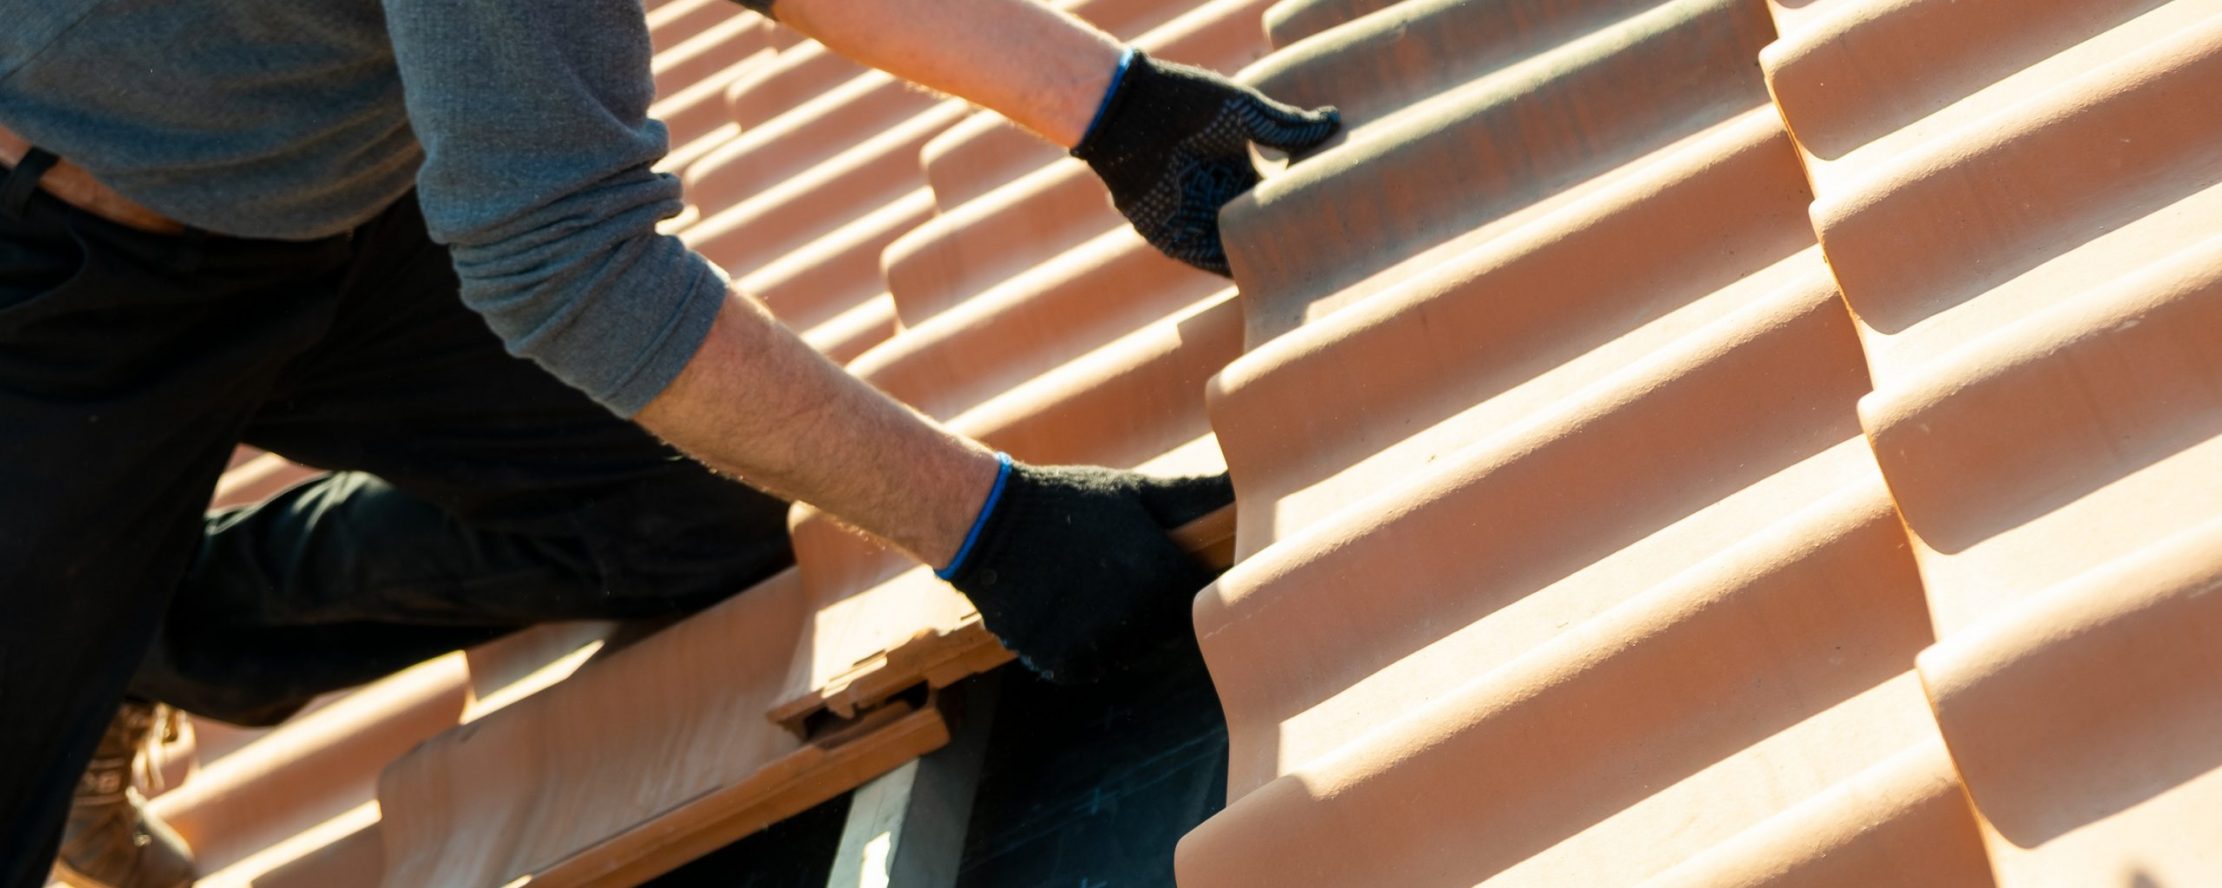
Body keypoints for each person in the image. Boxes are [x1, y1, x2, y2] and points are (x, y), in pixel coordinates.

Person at [0, 0, 1339, 883]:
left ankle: (153, 627)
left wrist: (1113, 109)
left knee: (691, 514)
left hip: (315, 174)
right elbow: (565, 266)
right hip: (47, 276)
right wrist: (989, 527)